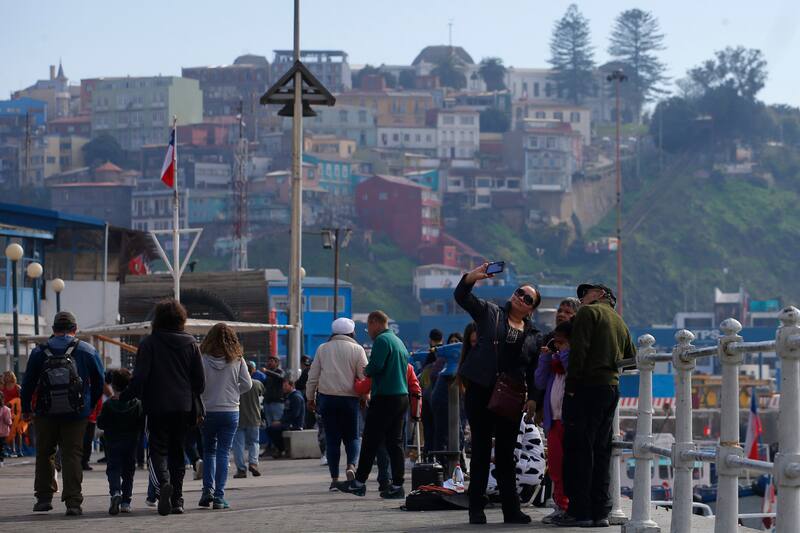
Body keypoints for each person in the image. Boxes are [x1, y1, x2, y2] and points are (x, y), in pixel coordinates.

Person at [454, 263, 543, 525]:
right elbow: (462, 297)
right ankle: (476, 508)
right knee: (481, 450)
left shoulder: (534, 335)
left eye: (527, 298)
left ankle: (511, 510)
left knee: (506, 454)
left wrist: (533, 398)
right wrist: (471, 277)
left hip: (511, 395)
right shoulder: (490, 313)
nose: (521, 298)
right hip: (481, 390)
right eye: (519, 292)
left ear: (531, 309)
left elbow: (534, 370)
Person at [554, 283, 636, 528]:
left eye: (585, 293)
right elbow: (632, 359)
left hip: (586, 387)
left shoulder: (588, 313)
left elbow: (579, 352)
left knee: (579, 450)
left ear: (600, 294)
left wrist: (571, 386)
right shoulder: (619, 321)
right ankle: (601, 511)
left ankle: (580, 511)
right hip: (610, 388)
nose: (581, 299)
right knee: (601, 450)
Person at [122, 299, 205, 517]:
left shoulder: (149, 343)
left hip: (156, 405)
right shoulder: (191, 343)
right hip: (183, 406)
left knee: (157, 450)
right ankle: (177, 500)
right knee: (178, 451)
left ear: (157, 318)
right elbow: (200, 382)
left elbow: (140, 378)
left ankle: (164, 482)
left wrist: (126, 396)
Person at [20, 311, 105, 516]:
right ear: (75, 329)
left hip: (45, 411)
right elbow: (100, 381)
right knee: (72, 455)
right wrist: (89, 404)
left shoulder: (39, 351)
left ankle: (43, 498)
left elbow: (28, 383)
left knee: (45, 453)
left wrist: (26, 408)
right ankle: (73, 502)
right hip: (77, 413)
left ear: (53, 329)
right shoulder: (87, 350)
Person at [336, 310, 409, 500]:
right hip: (401, 396)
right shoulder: (398, 341)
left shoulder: (382, 341)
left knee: (370, 440)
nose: (368, 331)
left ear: (375, 322)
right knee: (395, 443)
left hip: (385, 397)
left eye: (368, 326)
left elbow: (376, 366)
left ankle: (359, 483)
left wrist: (365, 370)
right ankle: (397, 485)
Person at [305, 317, 368, 490]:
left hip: (327, 399)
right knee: (352, 437)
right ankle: (351, 466)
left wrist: (310, 398)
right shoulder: (357, 349)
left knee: (332, 439)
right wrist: (365, 397)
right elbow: (365, 377)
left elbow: (313, 377)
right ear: (351, 332)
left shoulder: (323, 349)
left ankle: (334, 479)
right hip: (350, 399)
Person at [198, 322, 252, 510]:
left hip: (207, 410)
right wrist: (234, 392)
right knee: (223, 452)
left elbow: (196, 384)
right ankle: (219, 497)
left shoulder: (202, 358)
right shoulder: (237, 359)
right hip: (230, 411)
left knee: (208, 451)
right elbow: (247, 384)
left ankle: (207, 491)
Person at [354, 359, 421, 492]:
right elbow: (415, 389)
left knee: (379, 444)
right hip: (401, 406)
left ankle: (383, 478)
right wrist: (416, 413)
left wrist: (356, 381)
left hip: (381, 405)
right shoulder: (407, 367)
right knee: (397, 444)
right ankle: (397, 483)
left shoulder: (381, 368)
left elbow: (363, 387)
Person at [534, 320, 572, 523]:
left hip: (569, 422)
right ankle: (560, 505)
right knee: (556, 466)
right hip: (553, 422)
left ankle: (570, 506)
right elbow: (539, 381)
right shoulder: (552, 364)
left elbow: (572, 371)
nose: (558, 346)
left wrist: (565, 353)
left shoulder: (570, 360)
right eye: (555, 343)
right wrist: (544, 358)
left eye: (562, 342)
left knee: (570, 466)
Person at [97, 368, 144, 515]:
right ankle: (126, 502)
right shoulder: (136, 404)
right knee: (128, 472)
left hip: (112, 443)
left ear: (113, 385)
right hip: (131, 443)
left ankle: (115, 492)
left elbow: (101, 423)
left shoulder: (108, 405)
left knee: (113, 469)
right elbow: (141, 424)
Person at [431, 331, 463, 454]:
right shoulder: (442, 363)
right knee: (443, 432)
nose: (454, 345)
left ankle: (458, 459)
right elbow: (433, 376)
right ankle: (442, 459)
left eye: (457, 342)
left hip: (458, 403)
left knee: (458, 431)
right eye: (451, 342)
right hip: (442, 402)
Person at [233, 361, 265, 478]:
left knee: (238, 445)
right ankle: (253, 463)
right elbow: (262, 396)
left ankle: (241, 469)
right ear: (253, 371)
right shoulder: (257, 384)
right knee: (254, 442)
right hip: (254, 418)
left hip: (238, 418)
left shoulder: (235, 385)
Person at [266, 378, 306, 458]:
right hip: (288, 423)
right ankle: (281, 449)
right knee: (271, 428)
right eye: (283, 386)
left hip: (295, 424)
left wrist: (281, 422)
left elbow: (295, 414)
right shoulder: (289, 396)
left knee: (272, 430)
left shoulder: (296, 397)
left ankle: (282, 449)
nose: (283, 388)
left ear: (291, 386)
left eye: (285, 386)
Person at [419, 328, 443, 455]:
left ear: (430, 339)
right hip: (441, 398)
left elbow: (423, 375)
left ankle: (429, 454)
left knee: (429, 428)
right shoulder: (444, 352)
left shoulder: (430, 354)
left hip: (428, 397)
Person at [262, 355, 286, 450]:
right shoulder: (268, 375)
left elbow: (281, 378)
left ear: (277, 363)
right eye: (268, 361)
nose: (269, 362)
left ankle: (278, 447)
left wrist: (267, 372)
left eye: (272, 361)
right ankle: (270, 446)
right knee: (268, 426)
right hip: (268, 402)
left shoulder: (280, 372)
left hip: (277, 403)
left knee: (276, 424)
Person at [0, 395, 12, 465]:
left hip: (2, 431)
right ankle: (1, 460)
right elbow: (8, 421)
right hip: (3, 431)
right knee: (1, 447)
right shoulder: (6, 409)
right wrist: (11, 422)